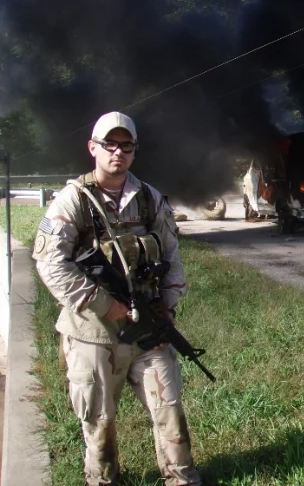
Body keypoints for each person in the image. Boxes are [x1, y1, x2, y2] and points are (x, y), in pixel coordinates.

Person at [32, 111, 201, 485]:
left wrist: (168, 307)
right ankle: (103, 479)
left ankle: (181, 478)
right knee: (100, 421)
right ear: (93, 147)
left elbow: (171, 255)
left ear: (135, 151)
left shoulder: (149, 199)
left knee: (169, 409)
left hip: (148, 328)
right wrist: (104, 304)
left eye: (126, 146)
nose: (118, 153)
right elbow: (50, 263)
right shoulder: (74, 200)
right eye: (110, 144)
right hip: (93, 332)